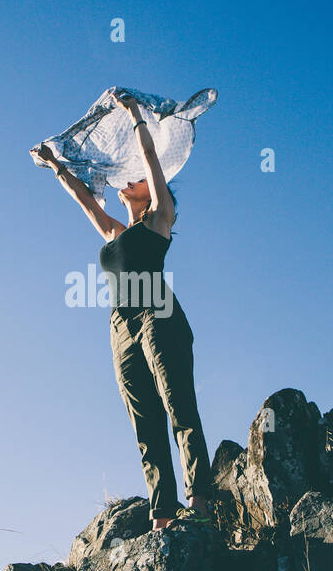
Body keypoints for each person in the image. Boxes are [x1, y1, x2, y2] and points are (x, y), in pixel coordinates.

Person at [33, 94, 213, 529]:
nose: (127, 179)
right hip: (121, 325)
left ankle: (203, 503)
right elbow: (84, 202)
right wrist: (56, 166)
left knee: (178, 407)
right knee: (144, 422)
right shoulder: (116, 231)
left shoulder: (160, 219)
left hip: (157, 309)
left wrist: (134, 114)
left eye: (137, 179)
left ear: (152, 191)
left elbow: (150, 156)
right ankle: (163, 514)